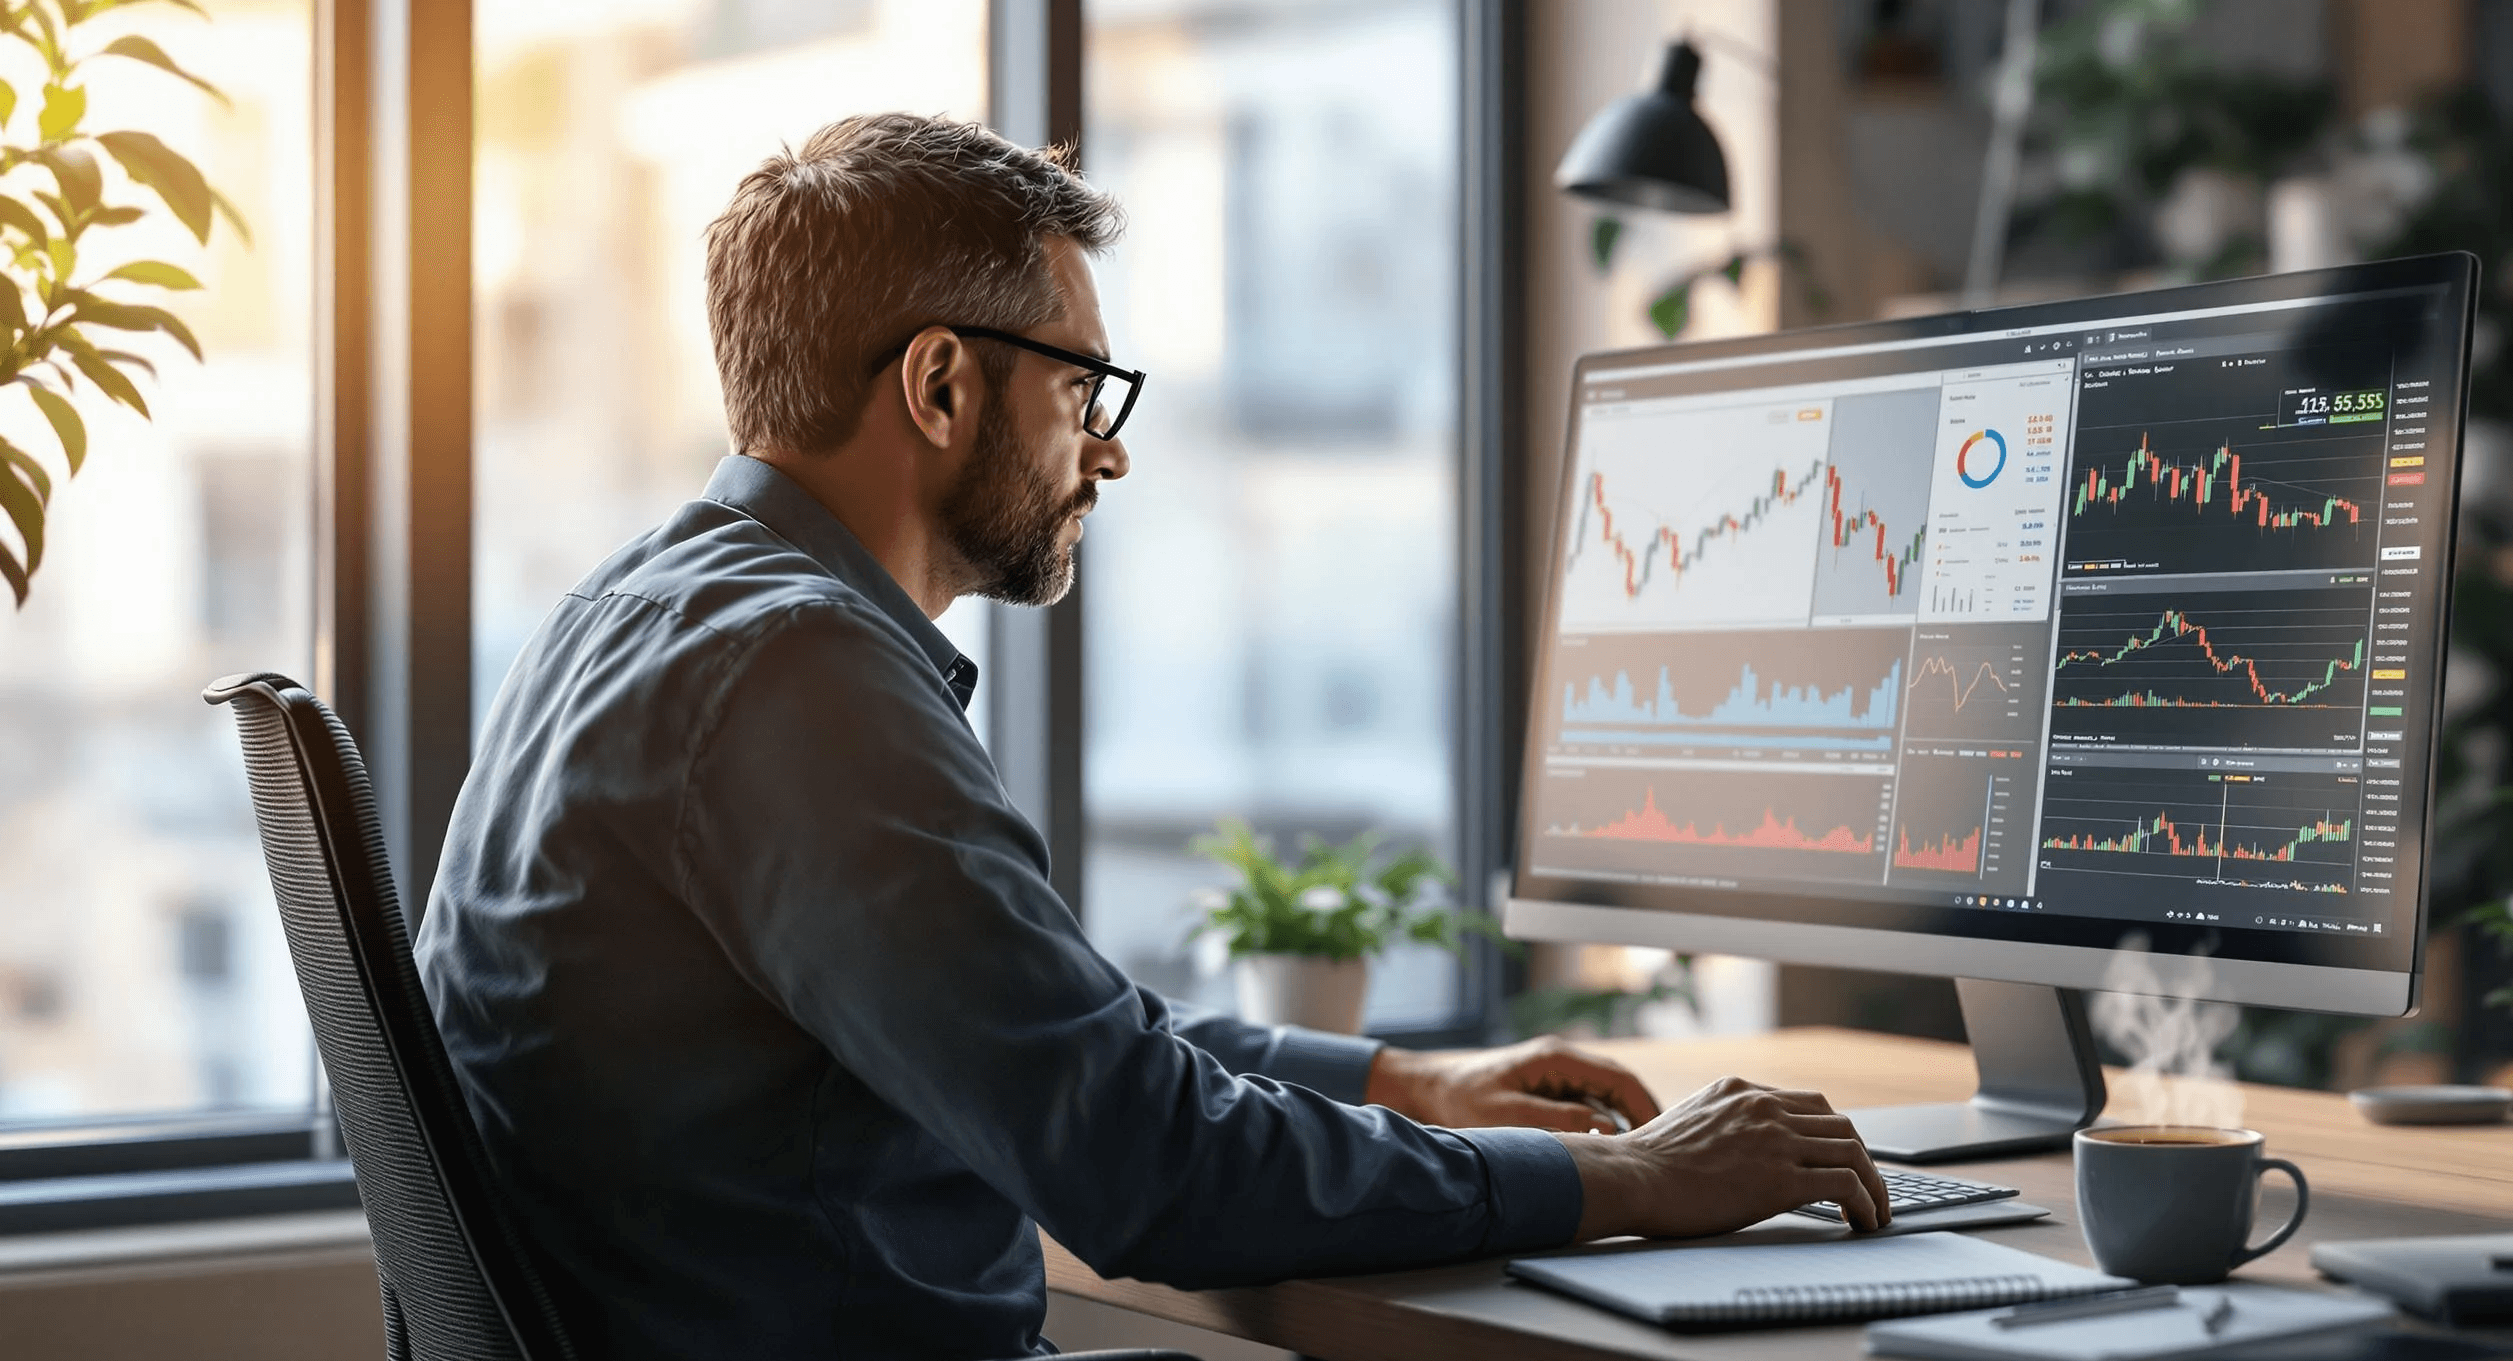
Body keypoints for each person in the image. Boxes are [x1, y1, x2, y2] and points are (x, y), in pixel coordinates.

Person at [418, 112, 1889, 1361]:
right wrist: (1620, 1179)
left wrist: (1397, 1081)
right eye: (1080, 387)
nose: (1107, 447)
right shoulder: (796, 673)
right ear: (938, 385)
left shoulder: (647, 609)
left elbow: (1038, 1033)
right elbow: (1142, 1167)